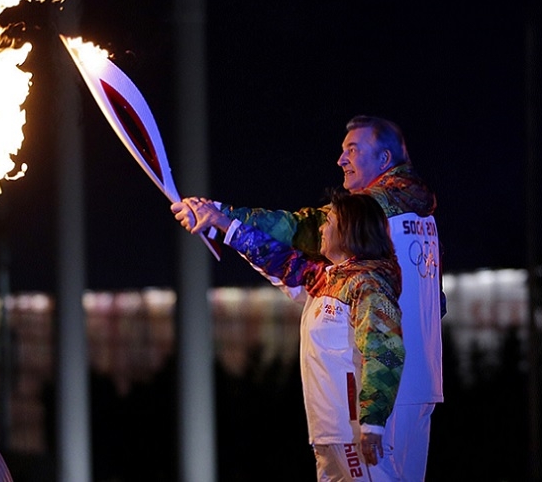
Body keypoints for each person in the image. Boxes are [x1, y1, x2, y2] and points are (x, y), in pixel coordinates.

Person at [173, 115, 442, 481]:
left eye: (352, 149)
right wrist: (222, 221)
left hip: (379, 396)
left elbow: (297, 229)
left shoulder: (374, 218)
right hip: (409, 387)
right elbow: (284, 262)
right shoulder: (410, 219)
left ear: (384, 160)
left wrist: (224, 213)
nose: (341, 160)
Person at [183, 191, 406, 480]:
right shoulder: (326, 279)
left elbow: (386, 351)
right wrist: (221, 222)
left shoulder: (368, 286)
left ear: (350, 230)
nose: (321, 229)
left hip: (352, 432)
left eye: (329, 222)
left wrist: (372, 424)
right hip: (326, 431)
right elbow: (274, 256)